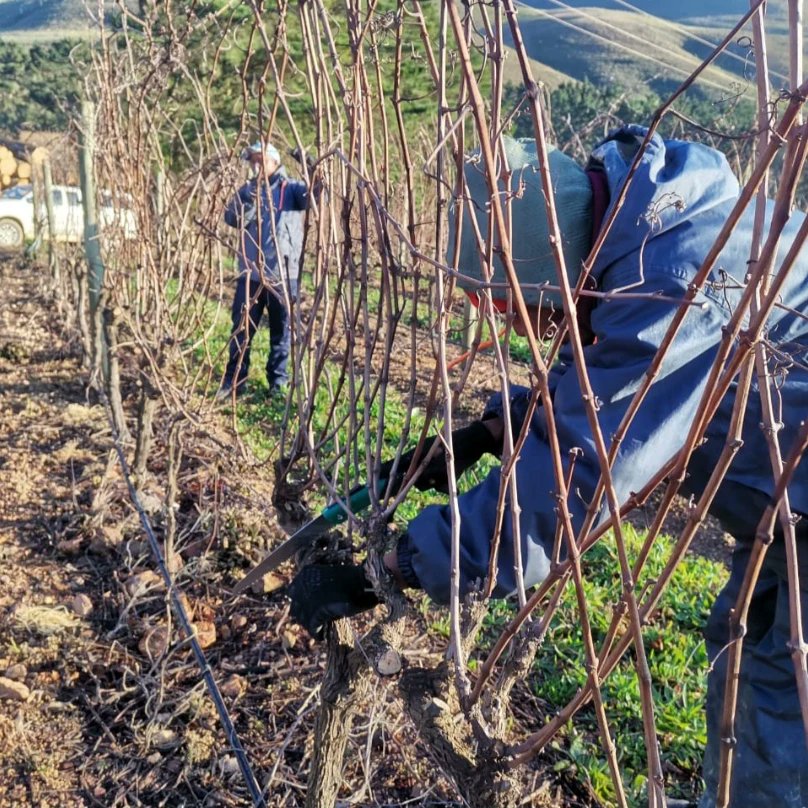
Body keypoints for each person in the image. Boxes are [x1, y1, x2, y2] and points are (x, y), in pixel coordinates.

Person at [287, 125, 808, 807]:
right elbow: (599, 383)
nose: (513, 326)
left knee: (780, 689)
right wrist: (502, 424)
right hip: (786, 511)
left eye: (510, 305)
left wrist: (393, 567)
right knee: (743, 653)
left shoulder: (677, 285)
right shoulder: (639, 240)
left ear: (544, 264)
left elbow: (572, 489)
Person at [218, 140, 312, 399]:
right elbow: (230, 219)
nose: (256, 165)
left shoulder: (291, 190)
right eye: (253, 161)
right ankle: (235, 381)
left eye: (261, 160)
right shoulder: (247, 191)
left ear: (274, 162)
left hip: (284, 274)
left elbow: (315, 194)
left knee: (281, 330)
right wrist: (247, 199)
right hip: (251, 274)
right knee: (242, 329)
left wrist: (310, 165)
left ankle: (277, 383)